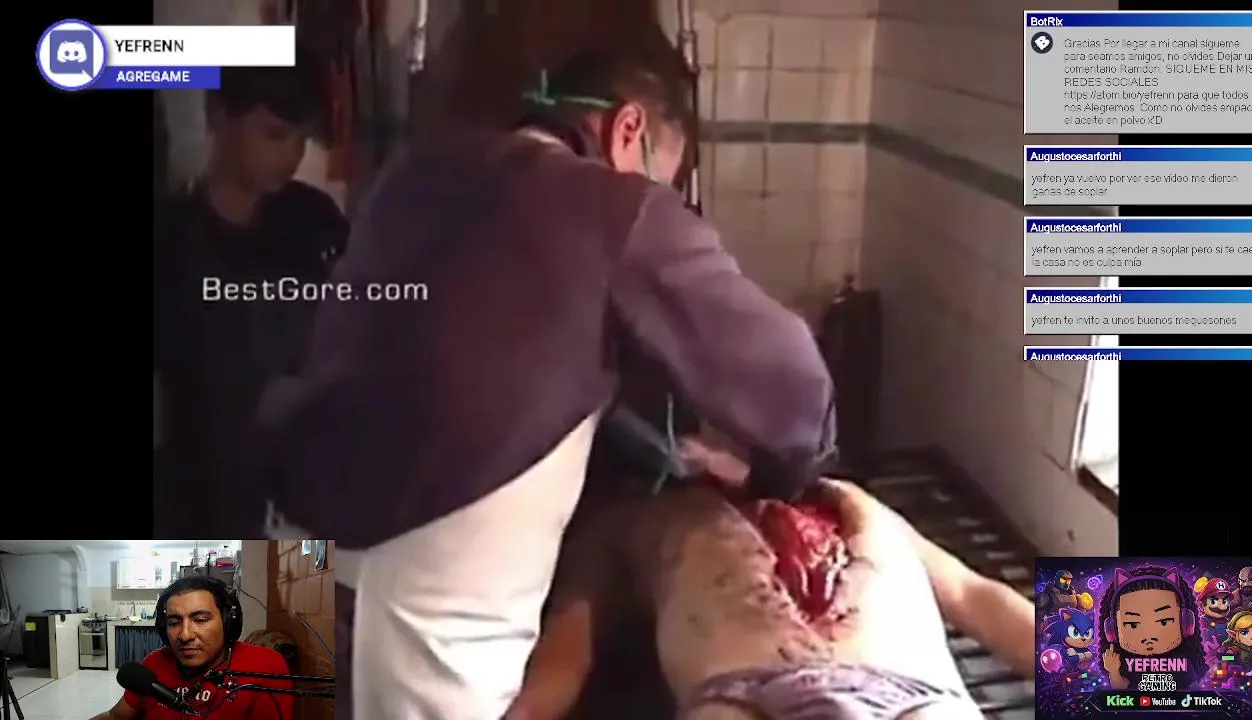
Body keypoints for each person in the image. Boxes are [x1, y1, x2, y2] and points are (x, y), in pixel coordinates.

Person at [260, 36, 836, 720]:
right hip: (429, 603)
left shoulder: (418, 171)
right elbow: (793, 387)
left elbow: (466, 348)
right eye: (664, 175)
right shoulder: (618, 208)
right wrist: (780, 475)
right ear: (628, 128)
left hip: (289, 541)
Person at [506, 461, 1036, 720]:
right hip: (744, 695)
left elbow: (975, 595)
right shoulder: (636, 518)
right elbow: (564, 657)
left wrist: (1094, 666)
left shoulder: (854, 502)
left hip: (910, 694)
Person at [153, 57, 349, 538]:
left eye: (303, 138)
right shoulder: (171, 241)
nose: (293, 155)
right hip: (196, 512)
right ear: (219, 117)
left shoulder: (315, 221)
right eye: (276, 134)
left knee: (296, 594)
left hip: (299, 505)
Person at [90, 576, 294, 720]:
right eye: (174, 622)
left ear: (227, 623)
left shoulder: (266, 666)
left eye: (200, 620)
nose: (185, 635)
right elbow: (115, 716)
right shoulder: (155, 662)